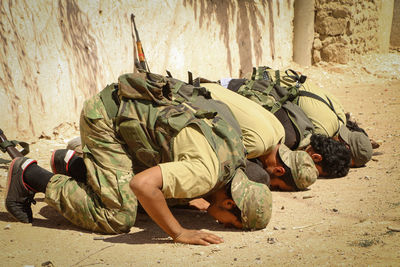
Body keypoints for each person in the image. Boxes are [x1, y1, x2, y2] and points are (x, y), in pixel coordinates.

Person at [5, 72, 272, 246]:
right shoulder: (204, 173)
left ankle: (75, 166)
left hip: (127, 117)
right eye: (232, 223)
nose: (222, 225)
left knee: (166, 199)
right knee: (118, 215)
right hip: (105, 119)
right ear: (228, 202)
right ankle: (30, 175)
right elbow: (142, 185)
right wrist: (178, 232)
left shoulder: (233, 158)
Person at [202, 82, 350, 180]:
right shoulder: (282, 139)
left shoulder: (287, 133)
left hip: (212, 88)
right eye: (317, 171)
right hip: (203, 93)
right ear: (316, 158)